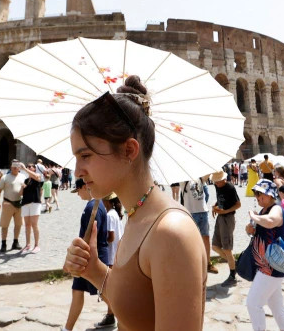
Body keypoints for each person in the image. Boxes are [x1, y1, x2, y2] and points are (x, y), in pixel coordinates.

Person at [63, 76, 207, 330]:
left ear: (129, 150)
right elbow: (137, 308)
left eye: (85, 155)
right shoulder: (137, 215)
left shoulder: (170, 234)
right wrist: (93, 270)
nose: (77, 171)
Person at [244, 179, 284, 330]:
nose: (259, 198)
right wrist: (250, 229)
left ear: (271, 195)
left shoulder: (276, 209)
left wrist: (254, 217)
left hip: (271, 266)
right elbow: (260, 229)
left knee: (253, 303)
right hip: (266, 265)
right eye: (257, 196)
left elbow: (271, 222)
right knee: (277, 305)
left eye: (262, 195)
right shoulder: (263, 211)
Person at [64, 179, 110, 331]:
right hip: (88, 255)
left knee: (106, 293)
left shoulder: (93, 206)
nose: (78, 194)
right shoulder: (95, 205)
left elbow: (89, 235)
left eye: (78, 191)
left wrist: (75, 257)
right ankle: (67, 328)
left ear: (84, 187)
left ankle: (119, 315)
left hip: (90, 256)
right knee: (77, 289)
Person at [95, 193, 125, 328]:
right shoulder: (115, 214)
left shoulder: (109, 215)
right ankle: (111, 314)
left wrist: (100, 242)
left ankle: (112, 315)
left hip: (111, 255)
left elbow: (111, 237)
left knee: (107, 289)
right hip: (116, 254)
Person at [210, 170, 242, 287]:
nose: (216, 184)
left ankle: (232, 275)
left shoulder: (230, 188)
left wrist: (226, 211)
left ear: (224, 180)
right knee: (215, 246)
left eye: (218, 182)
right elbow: (221, 199)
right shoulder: (217, 186)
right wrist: (215, 206)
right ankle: (235, 263)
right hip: (220, 217)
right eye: (215, 182)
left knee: (227, 248)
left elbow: (238, 204)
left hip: (228, 218)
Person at [181, 176, 218, 274]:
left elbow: (209, 173)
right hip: (191, 213)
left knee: (206, 237)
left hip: (203, 212)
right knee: (190, 239)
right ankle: (191, 264)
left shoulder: (200, 178)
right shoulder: (183, 180)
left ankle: (208, 264)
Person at [0, 160, 26, 252]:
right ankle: (3, 243)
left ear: (19, 168)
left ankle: (15, 242)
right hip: (8, 203)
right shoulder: (5, 177)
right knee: (5, 225)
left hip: (19, 203)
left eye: (17, 167)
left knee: (19, 224)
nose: (16, 168)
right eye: (14, 167)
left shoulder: (23, 177)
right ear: (11, 167)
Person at [20, 163, 45, 254]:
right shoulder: (26, 180)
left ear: (34, 169)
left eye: (32, 166)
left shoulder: (38, 176)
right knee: (27, 225)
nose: (30, 167)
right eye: (28, 166)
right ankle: (28, 244)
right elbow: (21, 194)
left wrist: (25, 169)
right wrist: (22, 187)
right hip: (25, 203)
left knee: (34, 224)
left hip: (35, 202)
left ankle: (37, 245)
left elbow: (37, 177)